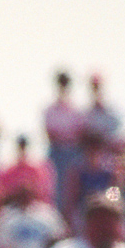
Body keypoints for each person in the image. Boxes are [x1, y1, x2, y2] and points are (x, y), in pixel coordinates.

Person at [42, 70, 83, 216]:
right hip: (57, 153)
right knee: (56, 190)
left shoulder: (77, 110)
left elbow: (79, 134)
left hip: (73, 153)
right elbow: (51, 134)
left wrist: (67, 137)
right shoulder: (49, 110)